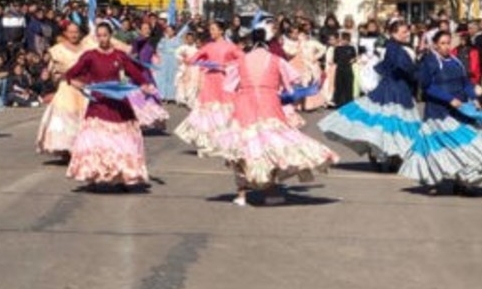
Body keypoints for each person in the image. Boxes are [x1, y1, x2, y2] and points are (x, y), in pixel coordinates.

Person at [214, 29, 339, 207]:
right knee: (272, 146)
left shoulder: (241, 61)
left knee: (242, 149)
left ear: (251, 42)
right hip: (269, 104)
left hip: (244, 105)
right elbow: (294, 80)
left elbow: (229, 85)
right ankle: (270, 192)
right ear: (265, 41)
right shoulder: (276, 60)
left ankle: (241, 194)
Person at [400, 30, 482, 195]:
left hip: (460, 111)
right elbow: (427, 87)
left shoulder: (456, 62)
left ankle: (462, 182)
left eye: (448, 43)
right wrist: (449, 99)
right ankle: (435, 179)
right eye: (442, 43)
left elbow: (465, 84)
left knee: (473, 143)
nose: (446, 46)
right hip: (439, 114)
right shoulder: (430, 61)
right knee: (442, 149)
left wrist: (473, 95)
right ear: (435, 45)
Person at [318, 19, 421, 171]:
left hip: (400, 90)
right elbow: (401, 67)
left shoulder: (398, 47)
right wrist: (417, 73)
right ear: (393, 33)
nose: (407, 34)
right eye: (404, 32)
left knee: (393, 126)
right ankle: (385, 156)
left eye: (407, 31)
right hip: (391, 91)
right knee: (388, 125)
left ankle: (392, 157)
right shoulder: (393, 47)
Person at [63, 23, 156, 191]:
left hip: (118, 102)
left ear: (110, 35)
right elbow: (71, 74)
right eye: (99, 35)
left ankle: (123, 175)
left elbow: (134, 72)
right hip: (98, 103)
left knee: (123, 142)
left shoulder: (119, 56)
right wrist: (79, 85)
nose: (102, 38)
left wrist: (144, 85)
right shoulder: (89, 56)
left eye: (105, 35)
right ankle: (94, 175)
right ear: (96, 37)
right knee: (96, 141)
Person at [174, 20, 242, 156]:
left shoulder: (230, 46)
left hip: (224, 80)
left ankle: (226, 142)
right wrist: (186, 59)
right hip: (210, 81)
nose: (211, 32)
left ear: (221, 31)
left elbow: (242, 59)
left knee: (225, 111)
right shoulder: (208, 46)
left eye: (213, 29)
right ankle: (210, 142)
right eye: (210, 29)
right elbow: (193, 59)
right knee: (209, 112)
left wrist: (228, 65)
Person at [36, 22, 96, 158]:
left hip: (85, 87)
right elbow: (53, 73)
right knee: (66, 117)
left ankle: (84, 147)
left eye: (76, 32)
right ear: (65, 33)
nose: (74, 35)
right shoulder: (58, 50)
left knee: (86, 117)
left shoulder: (88, 48)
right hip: (67, 87)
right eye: (71, 32)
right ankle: (67, 149)